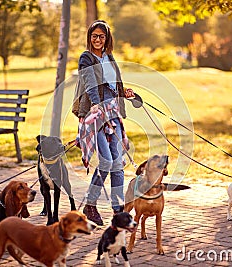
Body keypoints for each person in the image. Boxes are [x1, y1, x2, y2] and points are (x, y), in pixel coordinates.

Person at [76, 20, 135, 226]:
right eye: (94, 36)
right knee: (107, 161)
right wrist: (96, 104)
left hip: (112, 112)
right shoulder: (86, 58)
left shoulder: (109, 57)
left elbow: (112, 84)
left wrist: (124, 92)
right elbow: (91, 84)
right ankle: (90, 204)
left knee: (117, 163)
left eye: (101, 36)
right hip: (94, 114)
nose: (98, 39)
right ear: (89, 38)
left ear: (107, 38)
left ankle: (118, 211)